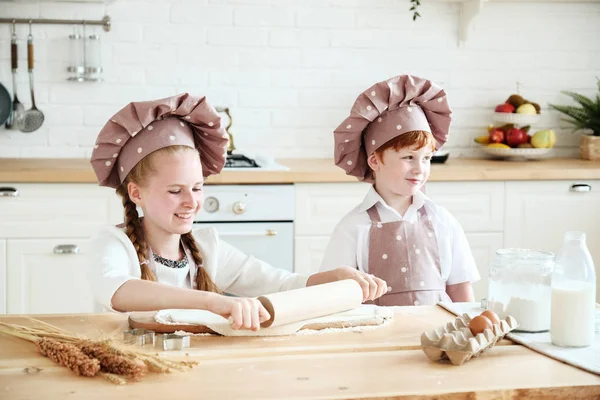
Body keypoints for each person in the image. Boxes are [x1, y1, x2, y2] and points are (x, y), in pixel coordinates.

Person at [87, 93, 387, 332]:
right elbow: (117, 290)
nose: (191, 202)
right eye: (175, 191)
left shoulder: (207, 248)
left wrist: (332, 278)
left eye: (197, 187)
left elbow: (280, 283)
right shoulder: (115, 244)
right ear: (137, 193)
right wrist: (213, 303)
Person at [319, 75, 480, 306]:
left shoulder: (443, 221)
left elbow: (461, 291)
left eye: (426, 158)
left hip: (438, 336)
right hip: (377, 339)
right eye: (408, 157)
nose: (419, 169)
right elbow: (331, 294)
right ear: (374, 161)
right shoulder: (353, 227)